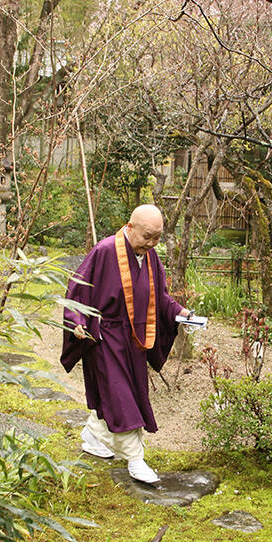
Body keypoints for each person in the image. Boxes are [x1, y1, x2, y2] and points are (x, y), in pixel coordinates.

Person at [60, 204, 190, 483]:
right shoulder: (105, 250)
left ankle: (92, 435)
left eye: (157, 237)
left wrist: (180, 313)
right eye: (147, 236)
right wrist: (77, 321)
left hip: (133, 340)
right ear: (130, 227)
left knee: (121, 394)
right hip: (105, 337)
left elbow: (160, 297)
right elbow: (76, 289)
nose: (152, 243)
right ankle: (135, 459)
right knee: (121, 398)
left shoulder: (151, 257)